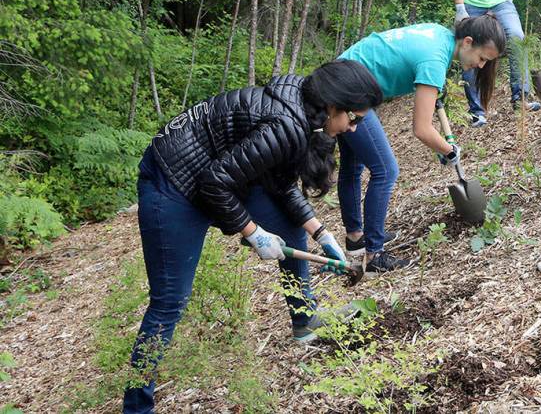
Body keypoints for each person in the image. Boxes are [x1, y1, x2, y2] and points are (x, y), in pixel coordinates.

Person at [123, 60, 383, 413]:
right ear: (334, 105)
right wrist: (254, 233)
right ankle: (137, 407)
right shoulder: (287, 125)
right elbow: (213, 184)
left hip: (213, 172)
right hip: (172, 181)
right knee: (169, 300)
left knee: (290, 226)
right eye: (354, 118)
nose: (354, 128)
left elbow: (279, 183)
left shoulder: (304, 110)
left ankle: (305, 320)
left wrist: (321, 234)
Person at [336, 16, 506, 271]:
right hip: (349, 90)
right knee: (386, 169)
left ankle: (356, 237)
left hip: (340, 74)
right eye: (482, 58)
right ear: (468, 42)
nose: (481, 66)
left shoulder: (439, 35)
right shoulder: (434, 60)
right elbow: (422, 129)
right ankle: (374, 255)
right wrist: (449, 151)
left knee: (353, 164)